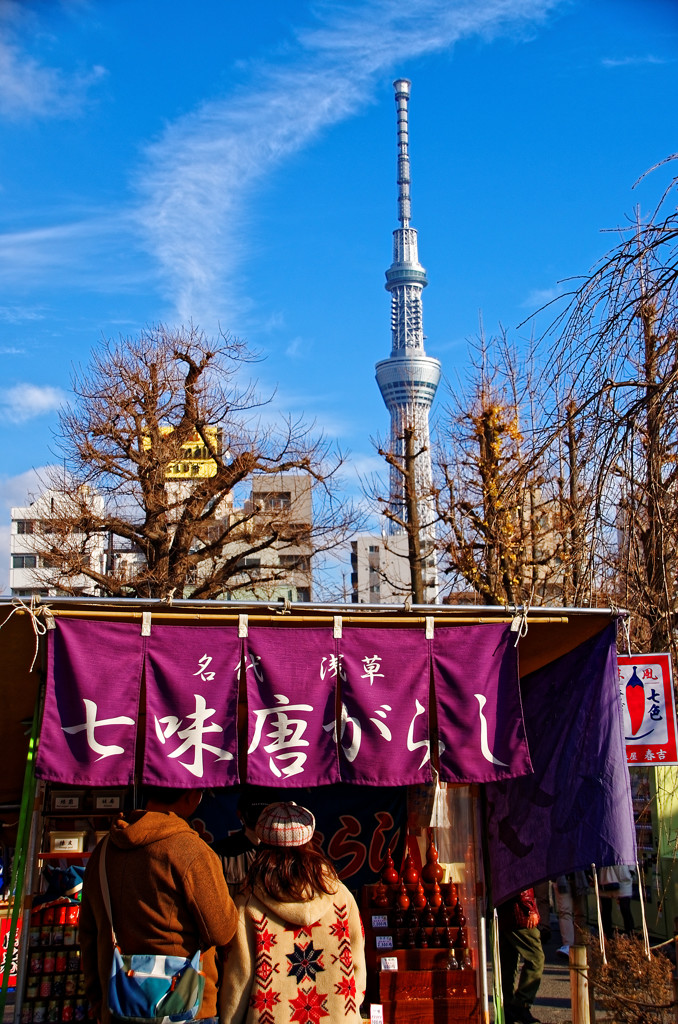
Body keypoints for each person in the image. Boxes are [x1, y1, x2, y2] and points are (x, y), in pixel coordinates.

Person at [80, 786, 238, 1024]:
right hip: (184, 1007)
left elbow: (88, 935)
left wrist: (99, 1003)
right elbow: (222, 931)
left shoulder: (103, 852)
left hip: (118, 1006)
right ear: (192, 796)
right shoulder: (191, 850)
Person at [219, 801, 366, 1024]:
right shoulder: (341, 897)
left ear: (263, 844)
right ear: (309, 841)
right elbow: (357, 967)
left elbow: (237, 982)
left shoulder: (247, 904)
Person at [497, 887, 545, 1024]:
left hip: (503, 908)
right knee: (536, 958)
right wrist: (530, 908)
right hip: (518, 911)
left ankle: (507, 1009)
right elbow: (520, 879)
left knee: (508, 964)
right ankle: (520, 1004)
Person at [212, 787, 274, 894]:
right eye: (254, 813)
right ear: (240, 814)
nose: (259, 819)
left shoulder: (282, 852)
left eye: (265, 814)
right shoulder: (219, 853)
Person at [553, 871, 590, 958]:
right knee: (566, 911)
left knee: (577, 912)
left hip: (570, 876)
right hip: (564, 878)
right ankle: (569, 945)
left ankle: (579, 944)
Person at [598, 864, 635, 939]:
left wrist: (630, 870)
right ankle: (607, 938)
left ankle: (631, 937)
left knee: (625, 909)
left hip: (621, 874)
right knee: (606, 909)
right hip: (605, 874)